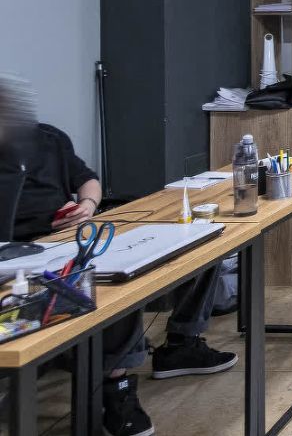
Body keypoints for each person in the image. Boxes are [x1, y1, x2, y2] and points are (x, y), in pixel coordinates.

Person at [0, 79, 236, 436]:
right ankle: (116, 386)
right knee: (113, 284)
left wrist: (86, 205)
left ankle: (182, 343)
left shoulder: (48, 138)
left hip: (70, 233)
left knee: (198, 241)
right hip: (22, 252)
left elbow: (87, 179)